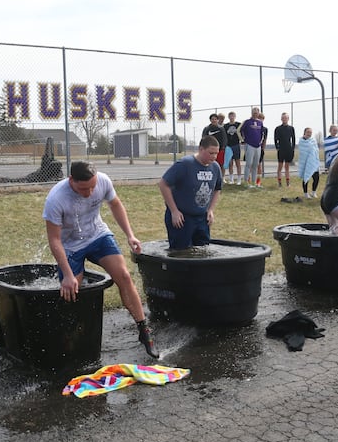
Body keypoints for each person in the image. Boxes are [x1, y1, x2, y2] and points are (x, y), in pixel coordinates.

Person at [43, 161, 158, 358]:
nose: (89, 193)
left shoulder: (103, 181)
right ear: (71, 180)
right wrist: (68, 275)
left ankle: (143, 331)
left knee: (124, 276)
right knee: (71, 291)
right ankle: (70, 339)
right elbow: (54, 240)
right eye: (83, 189)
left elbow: (115, 204)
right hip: (70, 247)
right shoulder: (56, 199)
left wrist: (130, 235)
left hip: (98, 236)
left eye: (92, 187)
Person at [158, 136, 222, 250]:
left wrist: (210, 209)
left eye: (216, 153)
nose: (214, 157)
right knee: (181, 253)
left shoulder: (215, 167)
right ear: (201, 149)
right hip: (182, 218)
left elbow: (217, 188)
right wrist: (174, 211)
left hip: (202, 218)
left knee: (203, 251)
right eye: (211, 153)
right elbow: (163, 184)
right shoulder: (185, 164)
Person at [238, 107, 263, 188]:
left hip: (258, 146)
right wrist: (242, 140)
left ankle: (254, 182)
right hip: (249, 145)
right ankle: (246, 182)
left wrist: (260, 142)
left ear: (258, 113)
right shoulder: (247, 122)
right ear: (251, 113)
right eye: (254, 112)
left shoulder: (260, 123)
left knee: (255, 165)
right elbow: (239, 130)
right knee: (249, 164)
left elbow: (262, 133)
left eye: (256, 112)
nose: (255, 113)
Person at [297, 127, 320, 198]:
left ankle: (313, 192)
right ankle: (305, 193)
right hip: (305, 162)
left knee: (316, 178)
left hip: (313, 162)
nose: (309, 134)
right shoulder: (301, 141)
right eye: (308, 132)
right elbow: (302, 151)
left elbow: (316, 150)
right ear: (305, 132)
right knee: (306, 178)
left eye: (310, 132)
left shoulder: (313, 140)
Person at [274, 112, 296, 187]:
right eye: (283, 118)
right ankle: (279, 182)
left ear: (288, 119)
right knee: (280, 166)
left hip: (288, 149)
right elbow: (275, 139)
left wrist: (292, 148)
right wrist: (277, 147)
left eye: (286, 118)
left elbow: (293, 139)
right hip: (281, 149)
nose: (284, 119)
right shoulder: (278, 129)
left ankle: (287, 182)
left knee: (287, 166)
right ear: (281, 119)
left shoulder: (291, 128)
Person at [224, 111, 242, 185]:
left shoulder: (238, 124)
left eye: (233, 116)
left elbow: (243, 132)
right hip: (228, 146)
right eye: (230, 116)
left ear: (235, 116)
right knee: (230, 163)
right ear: (228, 117)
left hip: (236, 145)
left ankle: (239, 179)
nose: (232, 117)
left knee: (238, 162)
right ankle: (231, 179)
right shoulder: (226, 126)